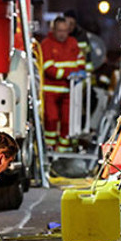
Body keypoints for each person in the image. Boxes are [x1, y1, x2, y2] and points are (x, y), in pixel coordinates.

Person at [42, 17, 86, 152]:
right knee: (51, 119)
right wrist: (69, 74)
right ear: (53, 30)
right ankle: (49, 148)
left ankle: (63, 150)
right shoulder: (46, 44)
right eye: (60, 30)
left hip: (69, 89)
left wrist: (76, 73)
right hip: (51, 90)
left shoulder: (73, 42)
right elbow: (48, 68)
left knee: (68, 121)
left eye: (65, 31)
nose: (62, 34)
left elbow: (81, 62)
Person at [64, 9, 94, 74]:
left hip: (79, 70)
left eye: (71, 24)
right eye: (66, 23)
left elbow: (87, 54)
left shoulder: (82, 36)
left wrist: (88, 72)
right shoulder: (61, 36)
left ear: (75, 24)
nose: (69, 26)